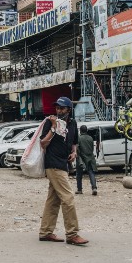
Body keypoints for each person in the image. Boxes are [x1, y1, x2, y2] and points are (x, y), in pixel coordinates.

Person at [38, 97, 88, 246]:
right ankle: (72, 234)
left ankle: (46, 232)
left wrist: (74, 152)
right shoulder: (50, 122)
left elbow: (74, 142)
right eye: (57, 108)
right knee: (68, 197)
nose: (58, 111)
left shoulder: (72, 123)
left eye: (62, 108)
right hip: (53, 164)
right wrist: (53, 127)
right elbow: (43, 143)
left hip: (64, 164)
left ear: (68, 110)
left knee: (53, 200)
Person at [76, 125, 98, 196]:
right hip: (90, 158)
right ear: (86, 131)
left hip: (81, 158)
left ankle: (79, 189)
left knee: (79, 174)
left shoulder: (79, 138)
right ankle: (94, 188)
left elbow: (77, 148)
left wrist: (78, 156)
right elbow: (92, 149)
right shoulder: (90, 138)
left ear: (80, 131)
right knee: (91, 173)